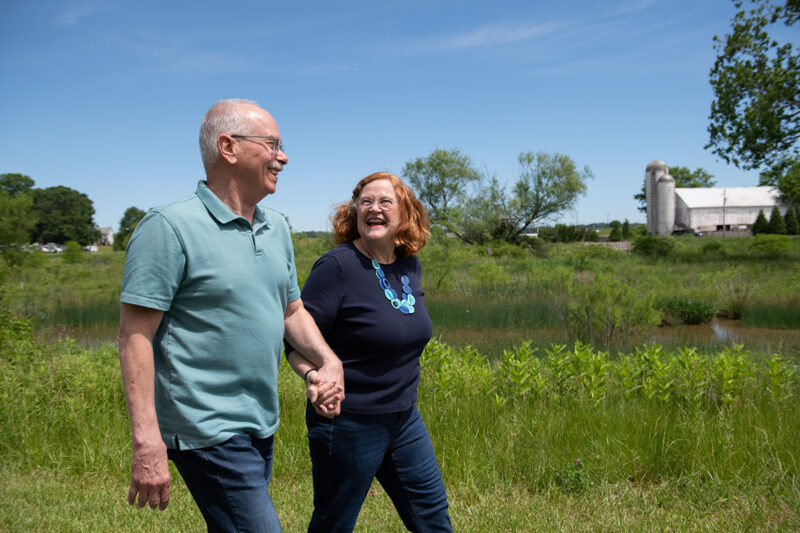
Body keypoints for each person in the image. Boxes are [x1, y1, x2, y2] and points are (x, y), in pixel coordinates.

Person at [117, 98, 344, 533]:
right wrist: (147, 440)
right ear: (228, 147)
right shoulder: (168, 226)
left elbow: (291, 310)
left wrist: (328, 361)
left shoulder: (276, 227)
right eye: (272, 144)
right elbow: (134, 336)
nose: (283, 157)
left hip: (259, 422)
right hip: (204, 427)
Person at [285, 172, 453, 532]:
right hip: (348, 422)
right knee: (334, 523)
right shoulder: (337, 267)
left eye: (385, 202)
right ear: (354, 212)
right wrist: (314, 376)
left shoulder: (409, 264)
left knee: (433, 518)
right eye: (365, 202)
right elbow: (294, 340)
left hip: (404, 418)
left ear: (405, 213)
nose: (374, 208)